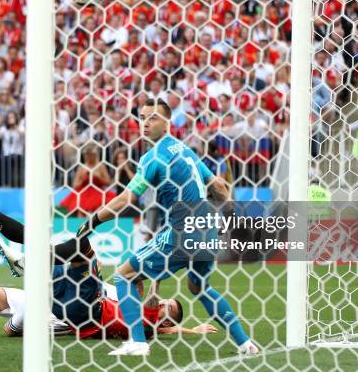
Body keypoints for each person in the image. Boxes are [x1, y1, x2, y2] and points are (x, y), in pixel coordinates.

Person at [62, 99, 257, 355]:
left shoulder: (153, 157)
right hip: (206, 228)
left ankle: (138, 342)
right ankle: (245, 343)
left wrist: (92, 221)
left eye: (152, 117)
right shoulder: (185, 150)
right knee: (199, 287)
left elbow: (125, 199)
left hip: (181, 231)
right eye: (142, 117)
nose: (145, 122)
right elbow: (218, 186)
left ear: (167, 122)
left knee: (124, 275)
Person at [0, 203, 217, 339]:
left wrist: (191, 328)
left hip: (79, 313)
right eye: (165, 302)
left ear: (166, 320)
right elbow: (138, 285)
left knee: (80, 247)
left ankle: (30, 262)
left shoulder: (148, 322)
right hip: (73, 296)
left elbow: (162, 318)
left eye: (166, 307)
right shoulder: (134, 306)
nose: (161, 303)